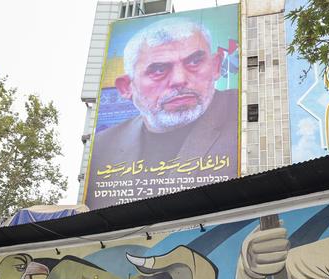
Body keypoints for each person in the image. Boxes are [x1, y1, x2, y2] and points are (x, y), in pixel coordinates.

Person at [87, 18, 238, 208]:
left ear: (216, 66)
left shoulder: (242, 116)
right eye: (158, 70)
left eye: (194, 62)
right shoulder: (103, 147)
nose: (179, 80)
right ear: (126, 87)